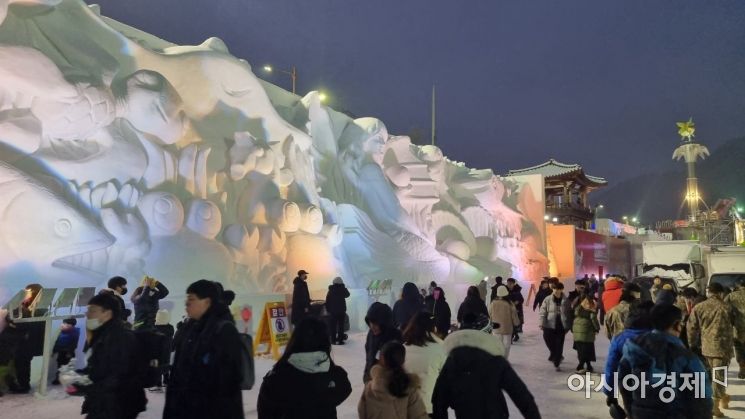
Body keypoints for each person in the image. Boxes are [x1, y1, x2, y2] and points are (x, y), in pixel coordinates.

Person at [431, 313, 541, 419]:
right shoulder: (495, 361)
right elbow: (521, 395)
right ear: (485, 334)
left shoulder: (453, 361)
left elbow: (439, 399)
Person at [164, 280, 244, 419]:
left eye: (192, 299)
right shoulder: (189, 327)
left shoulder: (224, 330)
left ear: (207, 302)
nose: (187, 303)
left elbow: (227, 382)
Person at [618, 304, 712, 418]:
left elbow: (623, 381)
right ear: (677, 325)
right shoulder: (686, 357)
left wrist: (631, 411)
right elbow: (701, 398)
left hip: (641, 413)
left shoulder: (633, 348)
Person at [258, 317, 352, 419]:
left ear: (294, 340)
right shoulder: (336, 377)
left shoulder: (275, 379)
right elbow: (345, 389)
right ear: (325, 343)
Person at [75, 293, 147, 419]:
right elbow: (99, 366)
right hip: (107, 401)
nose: (88, 314)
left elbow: (118, 376)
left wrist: (87, 387)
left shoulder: (120, 338)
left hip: (118, 404)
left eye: (93, 311)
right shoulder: (103, 334)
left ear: (107, 314)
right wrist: (81, 377)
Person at [687, 282, 744, 416]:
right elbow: (740, 326)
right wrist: (741, 339)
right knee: (719, 375)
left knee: (715, 374)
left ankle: (723, 396)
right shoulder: (728, 307)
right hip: (723, 348)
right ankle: (715, 406)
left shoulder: (699, 307)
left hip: (706, 347)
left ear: (709, 293)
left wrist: (692, 344)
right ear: (720, 293)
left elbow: (691, 327)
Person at [604, 301, 653, 412]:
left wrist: (610, 393)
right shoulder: (659, 337)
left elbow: (611, 366)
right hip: (656, 384)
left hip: (627, 383)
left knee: (631, 411)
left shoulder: (620, 338)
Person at [358, 341, 429, 419]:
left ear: (382, 359)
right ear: (403, 360)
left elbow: (362, 412)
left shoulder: (369, 388)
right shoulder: (408, 388)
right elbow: (419, 416)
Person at [402, 312, 447, 416]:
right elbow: (446, 378)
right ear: (433, 328)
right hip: (429, 405)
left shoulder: (403, 348)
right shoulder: (440, 349)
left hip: (406, 405)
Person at [8, 283, 45, 394]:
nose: (26, 294)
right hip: (28, 341)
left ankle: (23, 386)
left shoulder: (37, 309)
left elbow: (21, 322)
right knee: (22, 363)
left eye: (28, 292)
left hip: (27, 341)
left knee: (22, 363)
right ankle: (23, 384)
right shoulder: (37, 307)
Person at [364, 302, 402, 383]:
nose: (372, 326)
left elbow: (397, 367)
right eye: (370, 322)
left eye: (375, 323)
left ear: (385, 323)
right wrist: (366, 376)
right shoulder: (371, 333)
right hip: (371, 380)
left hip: (387, 385)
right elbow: (369, 357)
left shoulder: (395, 337)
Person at [539, 282, 569, 371]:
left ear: (561, 289)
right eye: (554, 289)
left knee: (559, 345)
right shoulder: (547, 299)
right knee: (548, 341)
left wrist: (568, 326)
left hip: (561, 326)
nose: (556, 291)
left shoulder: (566, 300)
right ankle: (555, 354)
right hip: (549, 325)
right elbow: (543, 311)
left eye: (558, 289)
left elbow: (569, 313)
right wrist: (542, 323)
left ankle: (557, 362)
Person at [489, 285, 519, 359]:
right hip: (507, 328)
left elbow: (489, 315)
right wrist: (516, 323)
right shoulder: (510, 304)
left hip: (496, 328)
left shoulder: (493, 303)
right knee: (506, 346)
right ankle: (504, 359)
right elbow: (514, 315)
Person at [572, 295, 600, 373]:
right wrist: (597, 328)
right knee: (587, 350)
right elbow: (593, 319)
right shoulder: (591, 310)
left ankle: (588, 366)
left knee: (581, 350)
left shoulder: (578, 309)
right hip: (587, 333)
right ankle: (580, 365)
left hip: (577, 332)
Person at [150, 309, 175, 392]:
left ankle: (158, 384)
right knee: (166, 364)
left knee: (158, 367)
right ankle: (166, 381)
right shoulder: (170, 328)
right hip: (167, 349)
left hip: (157, 351)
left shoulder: (155, 328)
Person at [0, 310, 23, 397]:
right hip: (6, 352)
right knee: (4, 369)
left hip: (8, 352)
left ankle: (11, 384)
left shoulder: (8, 329)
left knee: (9, 369)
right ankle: (11, 385)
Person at [724, 283, 745, 378]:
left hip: (738, 328)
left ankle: (742, 369)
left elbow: (725, 310)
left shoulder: (731, 296)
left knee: (739, 348)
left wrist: (731, 322)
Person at [52, 318, 80, 385]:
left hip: (68, 352)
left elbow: (73, 343)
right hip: (61, 352)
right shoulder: (62, 332)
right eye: (64, 323)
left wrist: (69, 352)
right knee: (60, 366)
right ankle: (58, 379)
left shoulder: (75, 332)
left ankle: (68, 380)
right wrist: (54, 350)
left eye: (66, 324)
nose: (63, 325)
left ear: (71, 325)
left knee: (67, 366)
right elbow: (58, 342)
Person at [325, 276, 350, 345]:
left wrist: (328, 309)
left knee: (333, 326)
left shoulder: (331, 289)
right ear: (341, 282)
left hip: (333, 311)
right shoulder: (342, 289)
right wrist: (344, 287)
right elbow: (348, 294)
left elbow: (327, 300)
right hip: (341, 311)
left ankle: (333, 340)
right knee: (341, 326)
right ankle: (340, 340)